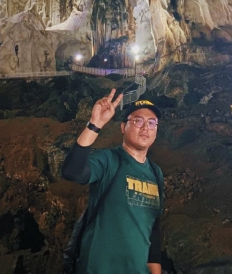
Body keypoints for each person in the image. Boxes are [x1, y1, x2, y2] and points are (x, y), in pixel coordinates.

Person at [61, 90, 164, 274]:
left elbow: (153, 226)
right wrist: (95, 124)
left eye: (152, 123)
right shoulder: (109, 160)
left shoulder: (156, 173)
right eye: (138, 121)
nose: (145, 127)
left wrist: (155, 269)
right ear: (123, 127)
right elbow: (72, 172)